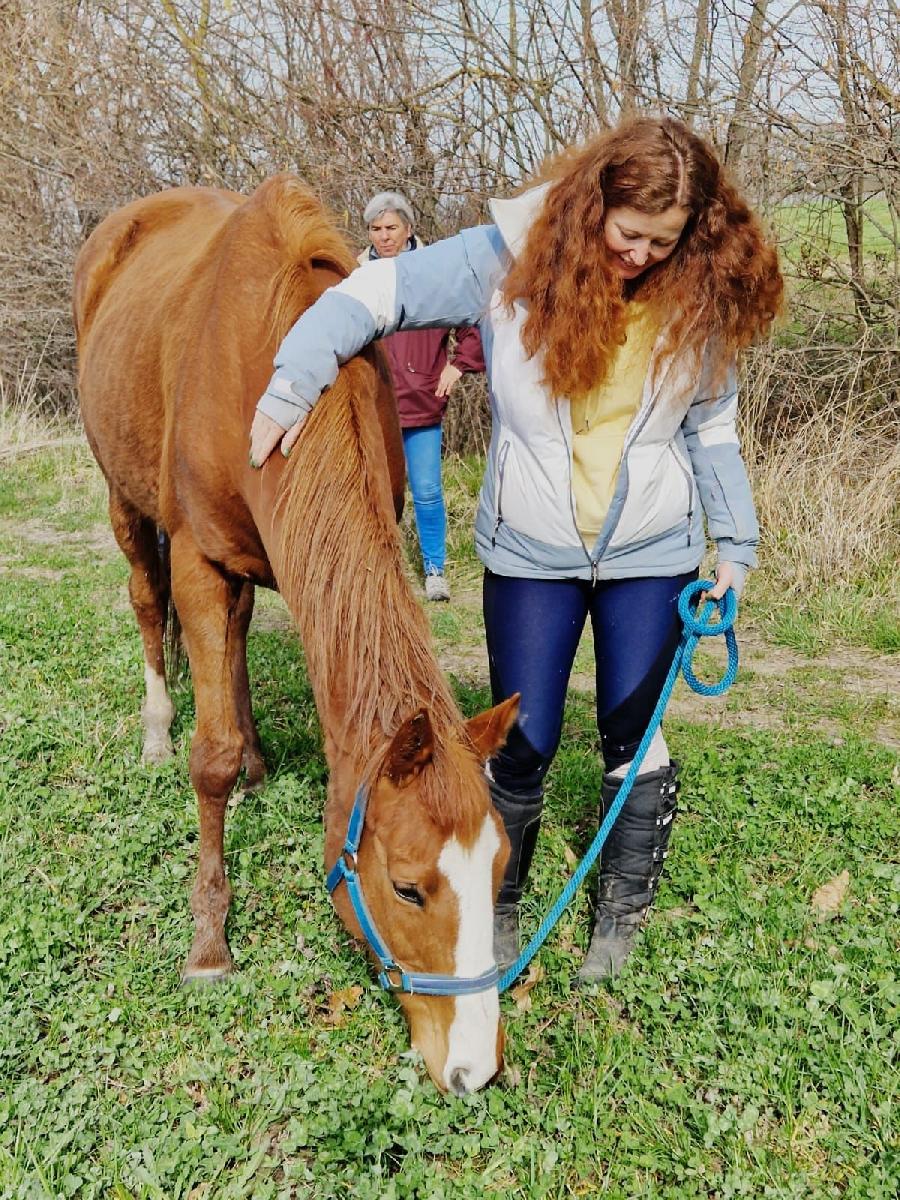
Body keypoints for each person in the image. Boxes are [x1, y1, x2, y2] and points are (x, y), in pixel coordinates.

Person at [250, 117, 783, 980]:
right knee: (521, 737)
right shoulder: (505, 260)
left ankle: (620, 911)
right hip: (530, 549)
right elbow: (367, 298)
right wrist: (291, 381)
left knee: (630, 730)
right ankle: (496, 895)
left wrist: (736, 547)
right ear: (593, 204)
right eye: (629, 234)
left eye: (665, 240)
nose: (643, 256)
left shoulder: (700, 286)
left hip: (653, 548)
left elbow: (712, 427)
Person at [358, 191, 485, 601]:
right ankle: (379, 572)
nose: (384, 237)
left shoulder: (434, 272)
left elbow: (472, 325)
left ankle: (435, 570)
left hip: (421, 404)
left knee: (427, 490)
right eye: (376, 229)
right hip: (374, 406)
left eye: (391, 228)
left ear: (409, 229)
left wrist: (457, 364)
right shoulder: (357, 275)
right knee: (375, 493)